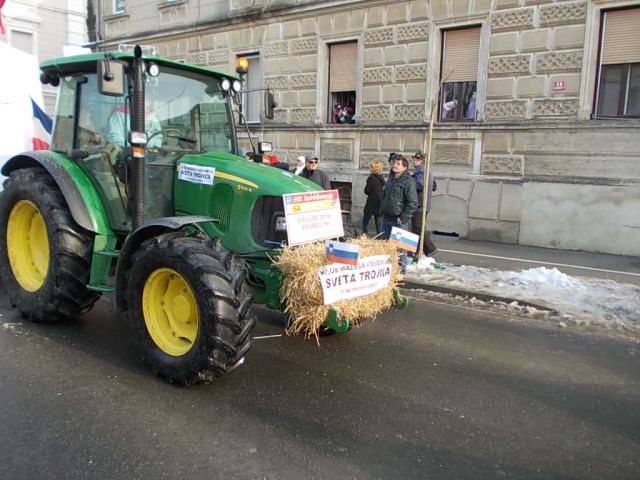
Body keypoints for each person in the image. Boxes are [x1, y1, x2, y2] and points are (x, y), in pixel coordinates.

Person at [380, 155, 418, 277]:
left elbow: (412, 203)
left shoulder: (408, 181)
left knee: (401, 247)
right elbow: (385, 197)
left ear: (404, 167)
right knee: (386, 245)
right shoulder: (390, 179)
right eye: (394, 163)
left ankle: (401, 270)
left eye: (398, 164)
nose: (395, 166)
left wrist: (403, 218)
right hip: (387, 217)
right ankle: (388, 268)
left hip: (398, 219)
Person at [410, 151, 437, 257]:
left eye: (416, 159)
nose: (414, 161)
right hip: (423, 203)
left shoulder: (421, 170)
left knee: (418, 227)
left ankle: (430, 248)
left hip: (421, 204)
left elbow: (419, 185)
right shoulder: (423, 170)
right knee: (417, 228)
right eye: (414, 159)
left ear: (421, 160)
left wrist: (409, 179)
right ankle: (414, 250)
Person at [362, 160, 385, 236]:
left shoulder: (371, 178)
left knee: (366, 219)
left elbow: (367, 190)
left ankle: (364, 234)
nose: (369, 168)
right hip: (380, 202)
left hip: (372, 202)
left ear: (373, 168)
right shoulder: (381, 178)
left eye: (370, 167)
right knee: (379, 220)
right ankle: (380, 236)